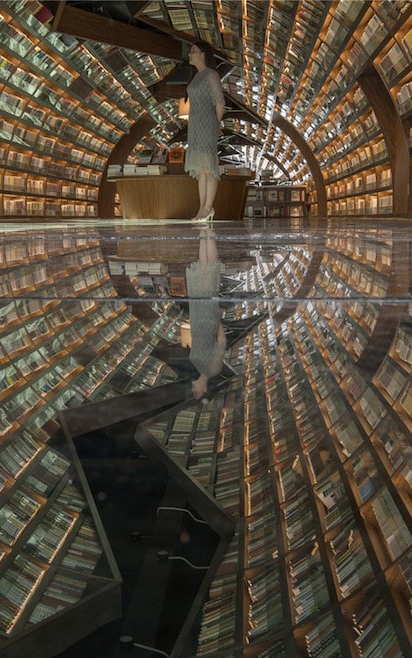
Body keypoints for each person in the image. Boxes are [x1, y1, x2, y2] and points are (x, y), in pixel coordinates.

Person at [185, 41, 225, 222]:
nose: (190, 54)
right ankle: (202, 208)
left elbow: (220, 102)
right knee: (201, 169)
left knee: (209, 166)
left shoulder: (211, 75)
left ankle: (208, 207)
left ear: (203, 54)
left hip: (207, 124)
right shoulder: (196, 76)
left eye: (193, 50)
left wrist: (215, 124)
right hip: (194, 125)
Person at [186, 232, 226, 400]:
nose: (193, 388)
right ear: (204, 390)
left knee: (205, 269)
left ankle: (204, 231)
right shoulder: (213, 370)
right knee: (209, 270)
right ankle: (207, 231)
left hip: (197, 315)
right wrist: (217, 319)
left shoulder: (198, 366)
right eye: (196, 392)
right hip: (208, 317)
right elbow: (222, 343)